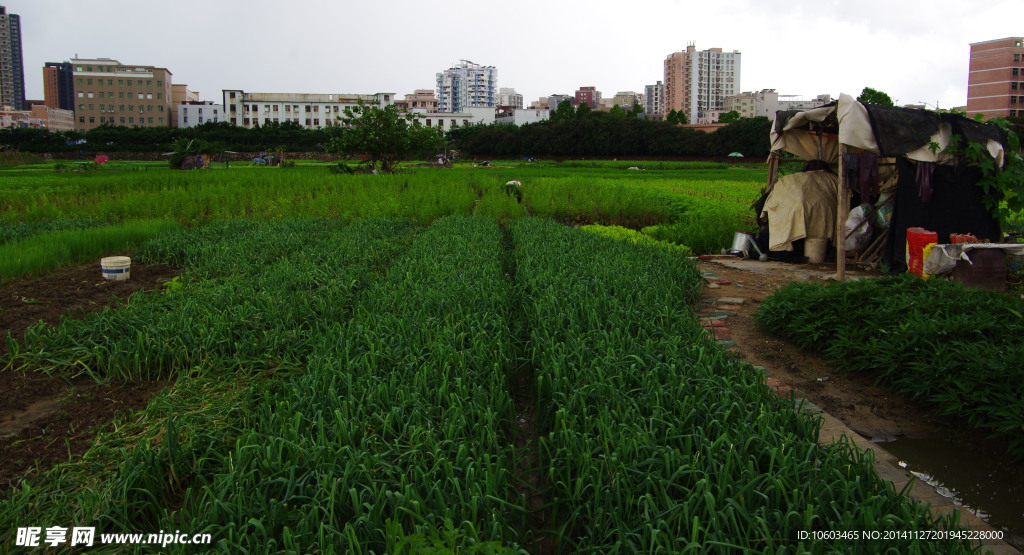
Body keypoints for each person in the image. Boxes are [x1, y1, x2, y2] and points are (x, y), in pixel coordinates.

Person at [760, 160, 840, 257]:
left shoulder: (792, 179)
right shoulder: (833, 180)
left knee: (768, 236)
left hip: (788, 222)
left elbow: (765, 205)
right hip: (817, 226)